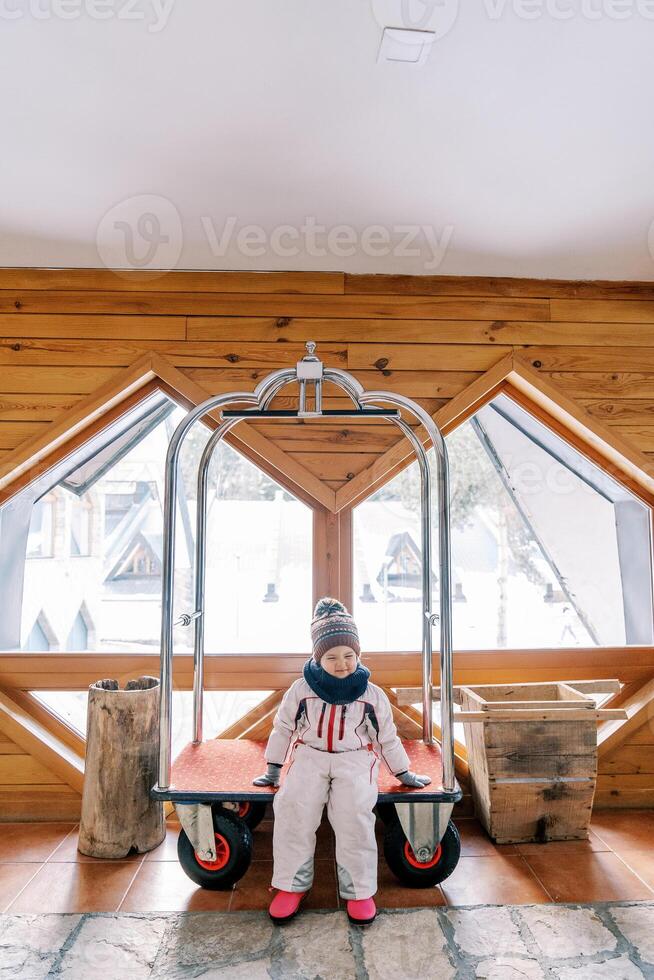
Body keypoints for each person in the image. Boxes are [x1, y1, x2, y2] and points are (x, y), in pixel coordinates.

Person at [253, 596, 431, 925]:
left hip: (355, 760)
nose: (341, 663)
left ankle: (359, 890)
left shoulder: (371, 694)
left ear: (358, 655)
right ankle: (291, 885)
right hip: (310, 756)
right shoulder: (302, 689)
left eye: (349, 655)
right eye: (331, 656)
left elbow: (386, 736)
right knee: (293, 807)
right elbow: (283, 728)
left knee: (354, 816)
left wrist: (403, 771)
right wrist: (273, 768)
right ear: (317, 658)